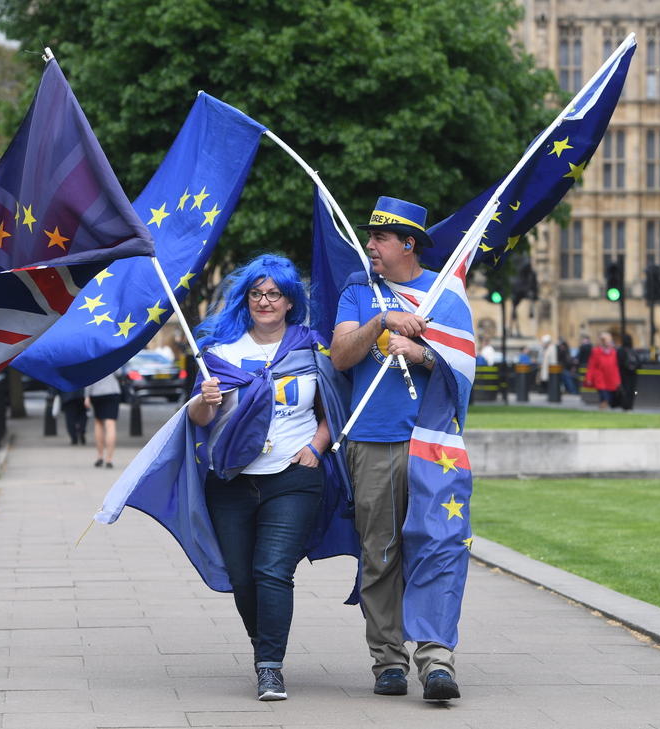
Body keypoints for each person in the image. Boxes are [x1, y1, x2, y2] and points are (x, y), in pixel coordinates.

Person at [331, 196, 470, 703]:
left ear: (408, 244)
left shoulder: (445, 294)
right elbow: (341, 354)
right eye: (370, 236)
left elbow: (465, 363)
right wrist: (382, 323)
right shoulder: (358, 291)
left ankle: (436, 660)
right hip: (372, 439)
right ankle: (388, 661)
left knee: (437, 545)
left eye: (380, 238)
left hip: (433, 444)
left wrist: (424, 352)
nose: (369, 245)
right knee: (380, 553)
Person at [187, 254, 341, 701]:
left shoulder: (312, 348)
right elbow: (198, 417)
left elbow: (333, 408)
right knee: (243, 576)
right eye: (256, 293)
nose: (265, 301)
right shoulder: (221, 351)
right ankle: (265, 643)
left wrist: (316, 447)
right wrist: (205, 399)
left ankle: (269, 666)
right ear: (246, 298)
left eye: (274, 293)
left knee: (272, 571)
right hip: (232, 479)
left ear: (290, 300)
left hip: (293, 476)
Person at [85, 372, 121, 467]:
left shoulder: (92, 357)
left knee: (98, 423)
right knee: (111, 424)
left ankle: (100, 456)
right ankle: (109, 459)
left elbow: (88, 376)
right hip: (112, 391)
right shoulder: (112, 357)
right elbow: (119, 373)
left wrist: (86, 395)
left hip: (96, 392)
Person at [584, 331, 621, 410]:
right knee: (603, 392)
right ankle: (604, 403)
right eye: (605, 340)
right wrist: (589, 378)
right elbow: (591, 365)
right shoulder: (596, 351)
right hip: (600, 376)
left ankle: (604, 405)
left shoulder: (614, 352)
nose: (607, 343)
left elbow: (616, 366)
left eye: (609, 341)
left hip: (611, 377)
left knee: (610, 394)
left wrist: (618, 379)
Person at [616, 333, 639, 410]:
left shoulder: (620, 351)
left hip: (623, 374)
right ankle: (630, 405)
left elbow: (618, 363)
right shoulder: (634, 351)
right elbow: (639, 364)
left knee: (624, 389)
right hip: (633, 374)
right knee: (632, 390)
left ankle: (624, 405)